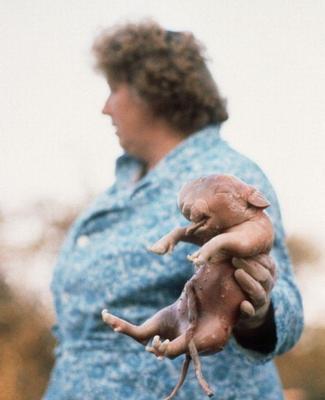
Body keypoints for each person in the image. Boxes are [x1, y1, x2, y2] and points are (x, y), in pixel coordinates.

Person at [44, 20, 303, 400]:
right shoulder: (118, 188)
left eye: (115, 89)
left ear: (155, 91)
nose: (105, 108)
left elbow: (283, 304)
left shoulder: (226, 178)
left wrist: (258, 313)